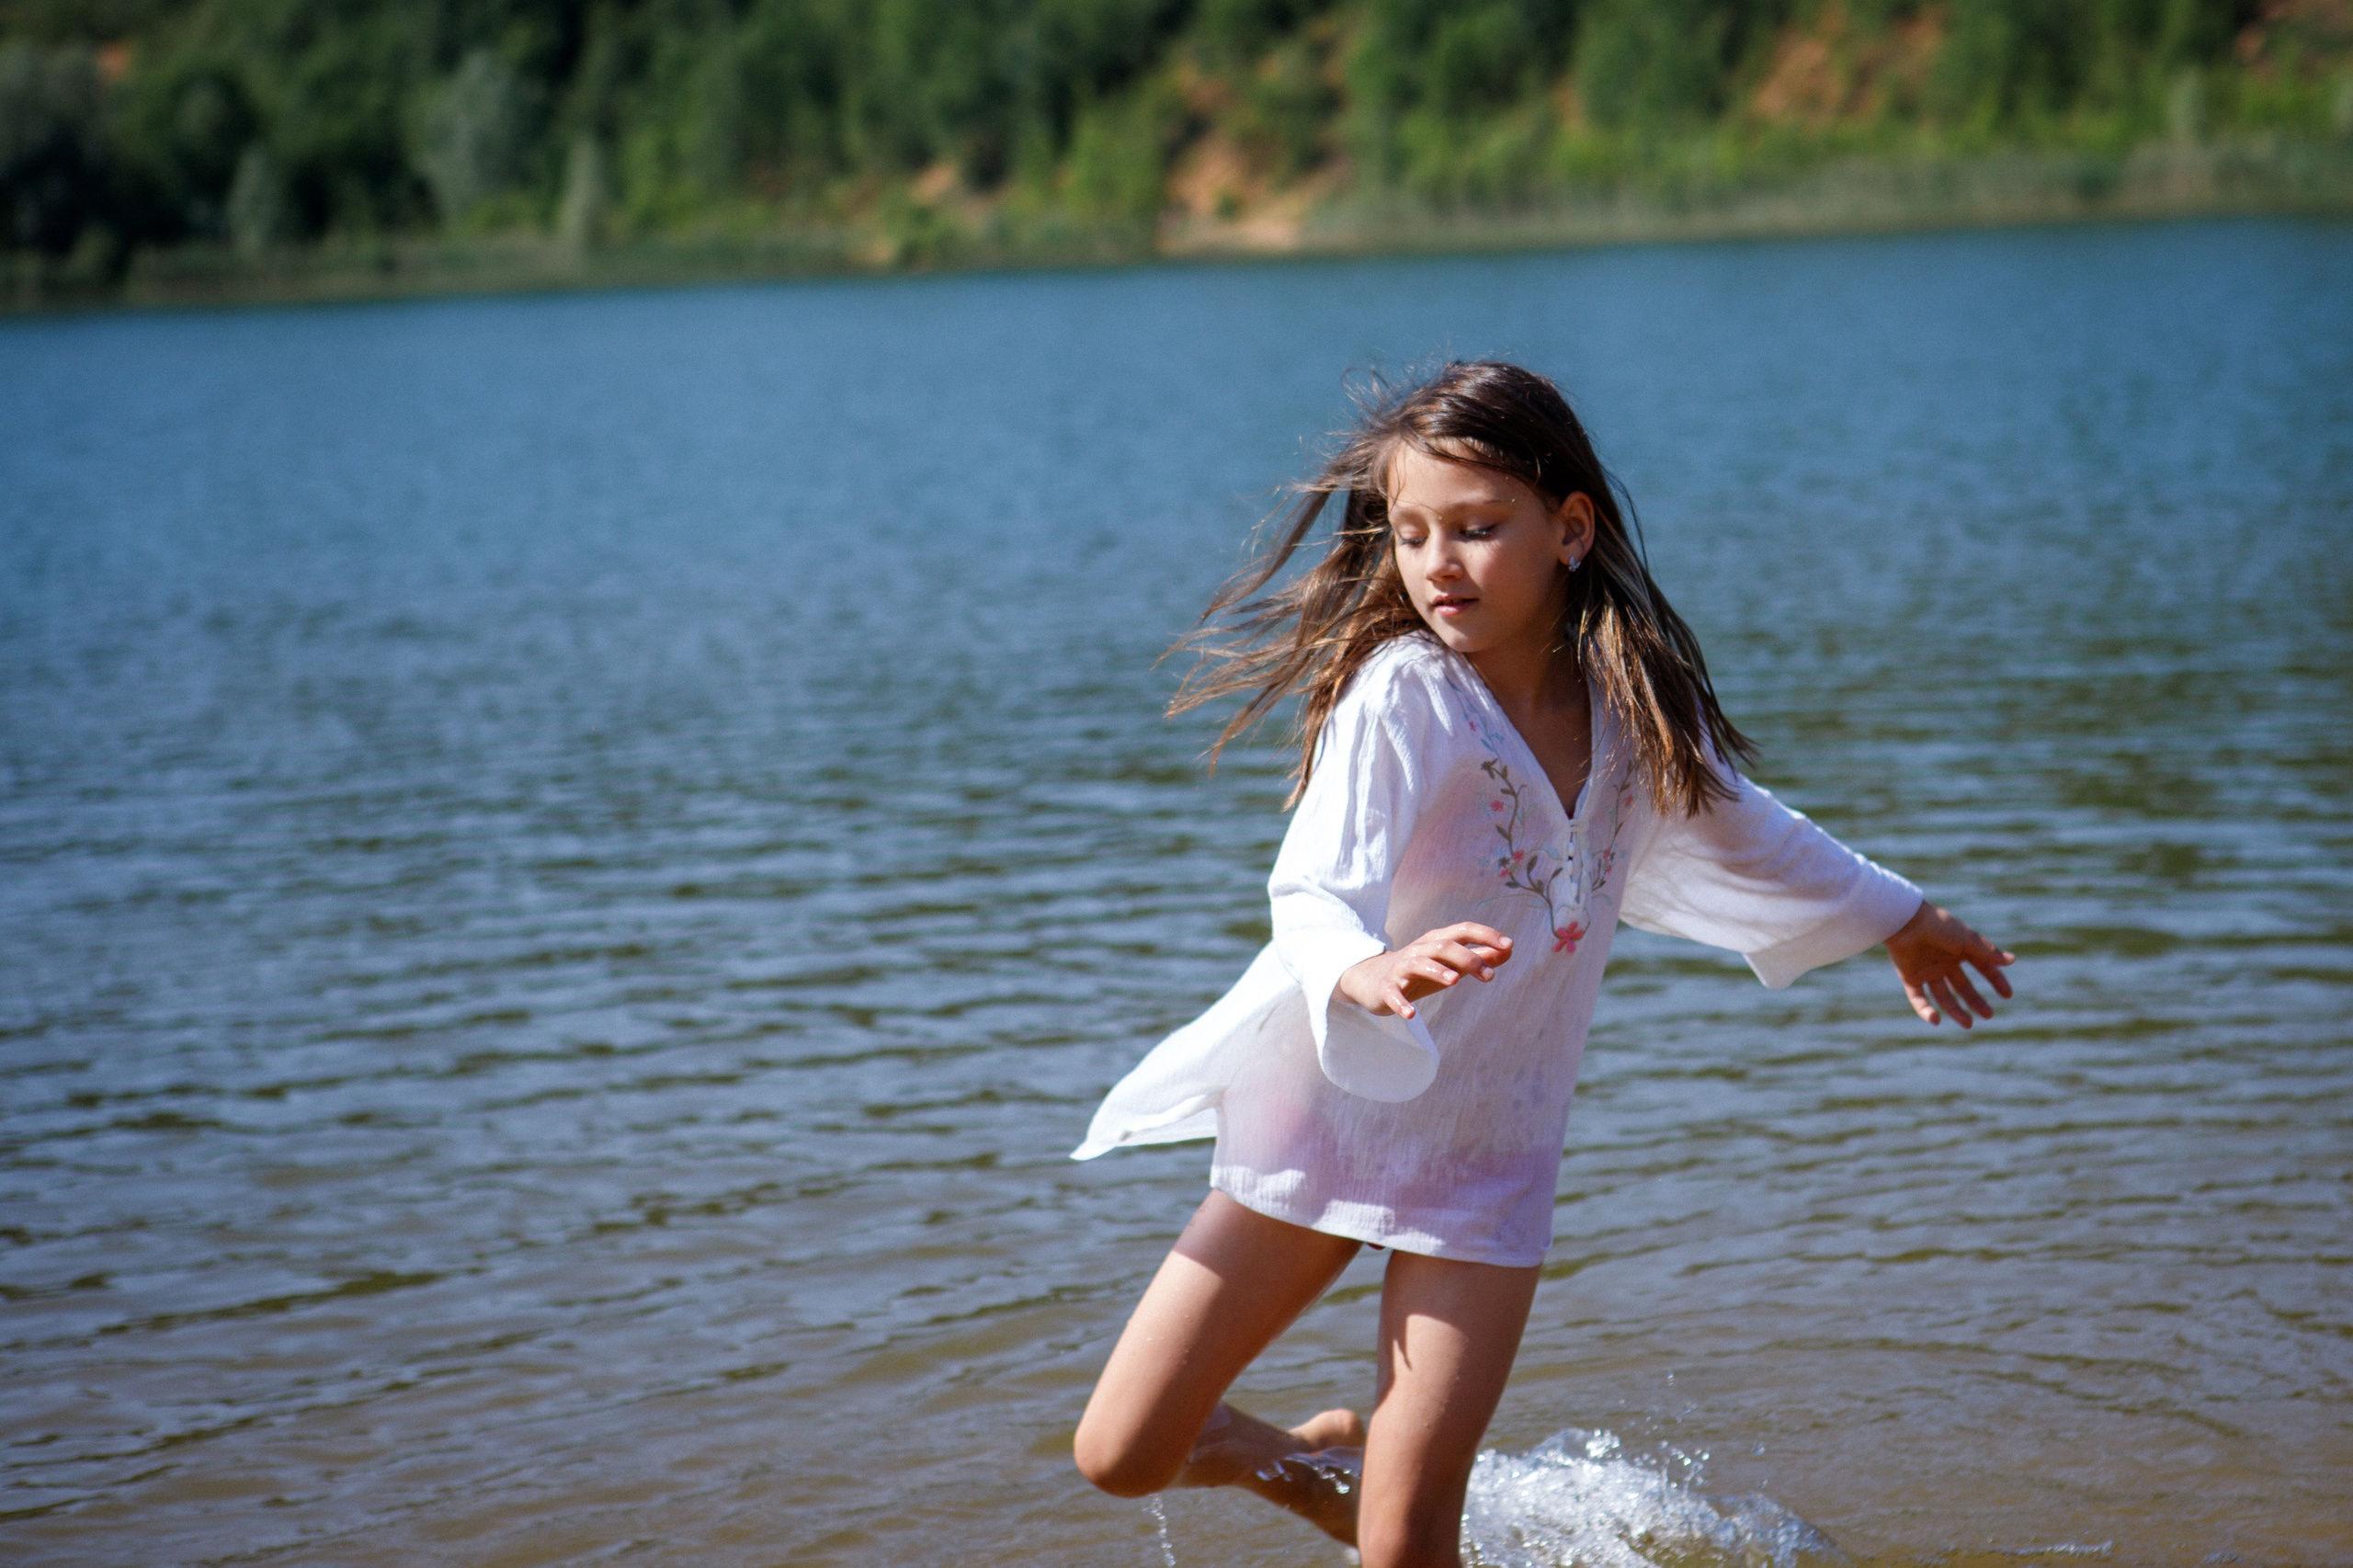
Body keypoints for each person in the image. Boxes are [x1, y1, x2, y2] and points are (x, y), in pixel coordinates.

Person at [1067, 361, 2014, 1567]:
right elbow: (1313, 882)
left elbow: (1745, 825)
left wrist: (1902, 913)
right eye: (1413, 534)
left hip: (1491, 1153)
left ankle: (1360, 1486)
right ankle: (1305, 1462)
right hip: (1333, 1114)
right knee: (1123, 1451)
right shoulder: (1402, 694)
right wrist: (1361, 968)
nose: (1438, 563)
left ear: (1571, 528)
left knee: (1409, 1540)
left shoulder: (1627, 706)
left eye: (1477, 527)